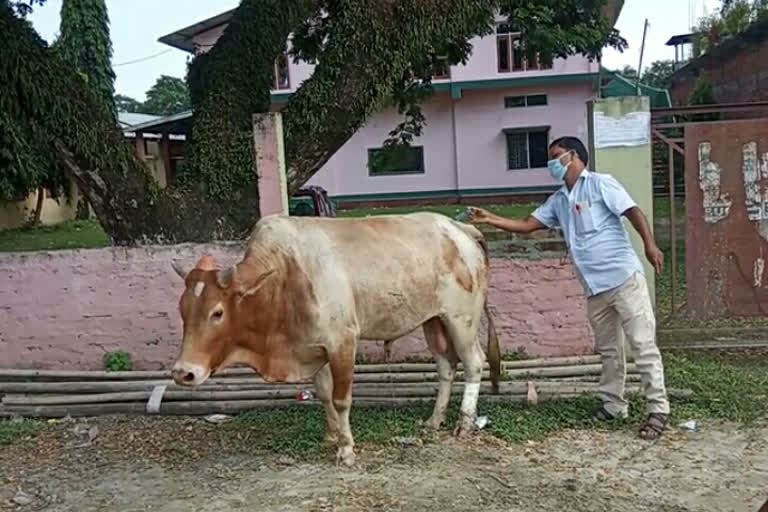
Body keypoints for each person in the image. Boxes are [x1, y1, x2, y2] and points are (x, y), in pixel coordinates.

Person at [467, 136, 670, 440]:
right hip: (595, 289)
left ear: (573, 156)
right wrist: (489, 218)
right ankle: (614, 405)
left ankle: (658, 410)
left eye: (556, 156)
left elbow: (633, 211)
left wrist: (650, 245)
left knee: (642, 345)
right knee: (609, 351)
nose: (551, 163)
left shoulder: (601, 184)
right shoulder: (560, 199)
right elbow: (528, 225)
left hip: (623, 279)